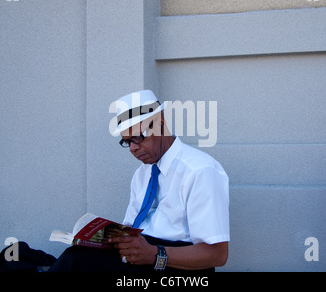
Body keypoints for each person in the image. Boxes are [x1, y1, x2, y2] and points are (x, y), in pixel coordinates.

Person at [49, 90, 229, 272]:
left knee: (76, 261)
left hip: (176, 263)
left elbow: (217, 255)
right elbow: (130, 228)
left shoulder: (199, 170)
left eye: (137, 137)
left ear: (160, 123)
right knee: (77, 254)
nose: (133, 148)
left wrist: (153, 254)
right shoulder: (142, 174)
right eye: (127, 141)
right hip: (142, 255)